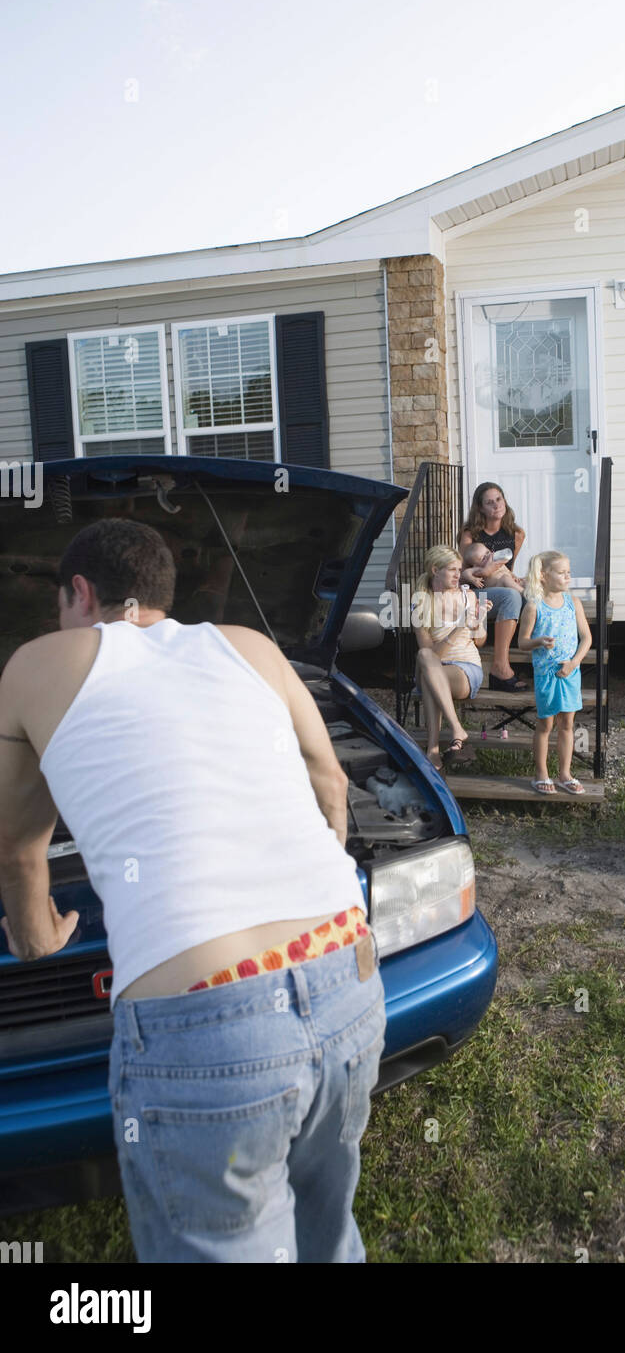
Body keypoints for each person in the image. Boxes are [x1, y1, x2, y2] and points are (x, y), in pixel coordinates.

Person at [0, 517, 386, 1263]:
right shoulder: (248, 645)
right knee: (327, 1230)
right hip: (347, 970)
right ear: (160, 593)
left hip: (210, 1023)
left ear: (78, 592)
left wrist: (39, 935)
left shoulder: (32, 665)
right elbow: (332, 784)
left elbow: (18, 850)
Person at [518, 550, 592, 796]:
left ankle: (565, 774)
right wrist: (539, 641)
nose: (567, 577)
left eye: (569, 572)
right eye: (562, 573)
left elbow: (586, 638)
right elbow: (522, 643)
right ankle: (541, 774)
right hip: (546, 674)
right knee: (545, 724)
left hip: (570, 672)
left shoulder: (574, 603)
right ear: (543, 576)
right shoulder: (533, 607)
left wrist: (573, 663)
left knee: (568, 723)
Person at [411, 545, 491, 771]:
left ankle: (433, 750)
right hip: (435, 665)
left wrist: (479, 619)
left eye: (460, 569)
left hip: (465, 669)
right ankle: (456, 728)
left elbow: (480, 640)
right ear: (435, 569)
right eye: (452, 570)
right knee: (426, 658)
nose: (458, 575)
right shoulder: (420, 604)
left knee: (429, 677)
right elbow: (432, 656)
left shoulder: (469, 596)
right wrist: (458, 627)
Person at [458, 481, 527, 692]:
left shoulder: (516, 534)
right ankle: (500, 667)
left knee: (527, 589)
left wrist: (517, 579)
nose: (496, 505)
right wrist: (478, 573)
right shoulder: (470, 535)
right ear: (480, 509)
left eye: (499, 499)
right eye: (489, 502)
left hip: (500, 584)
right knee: (512, 597)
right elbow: (458, 577)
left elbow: (509, 569)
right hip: (476, 591)